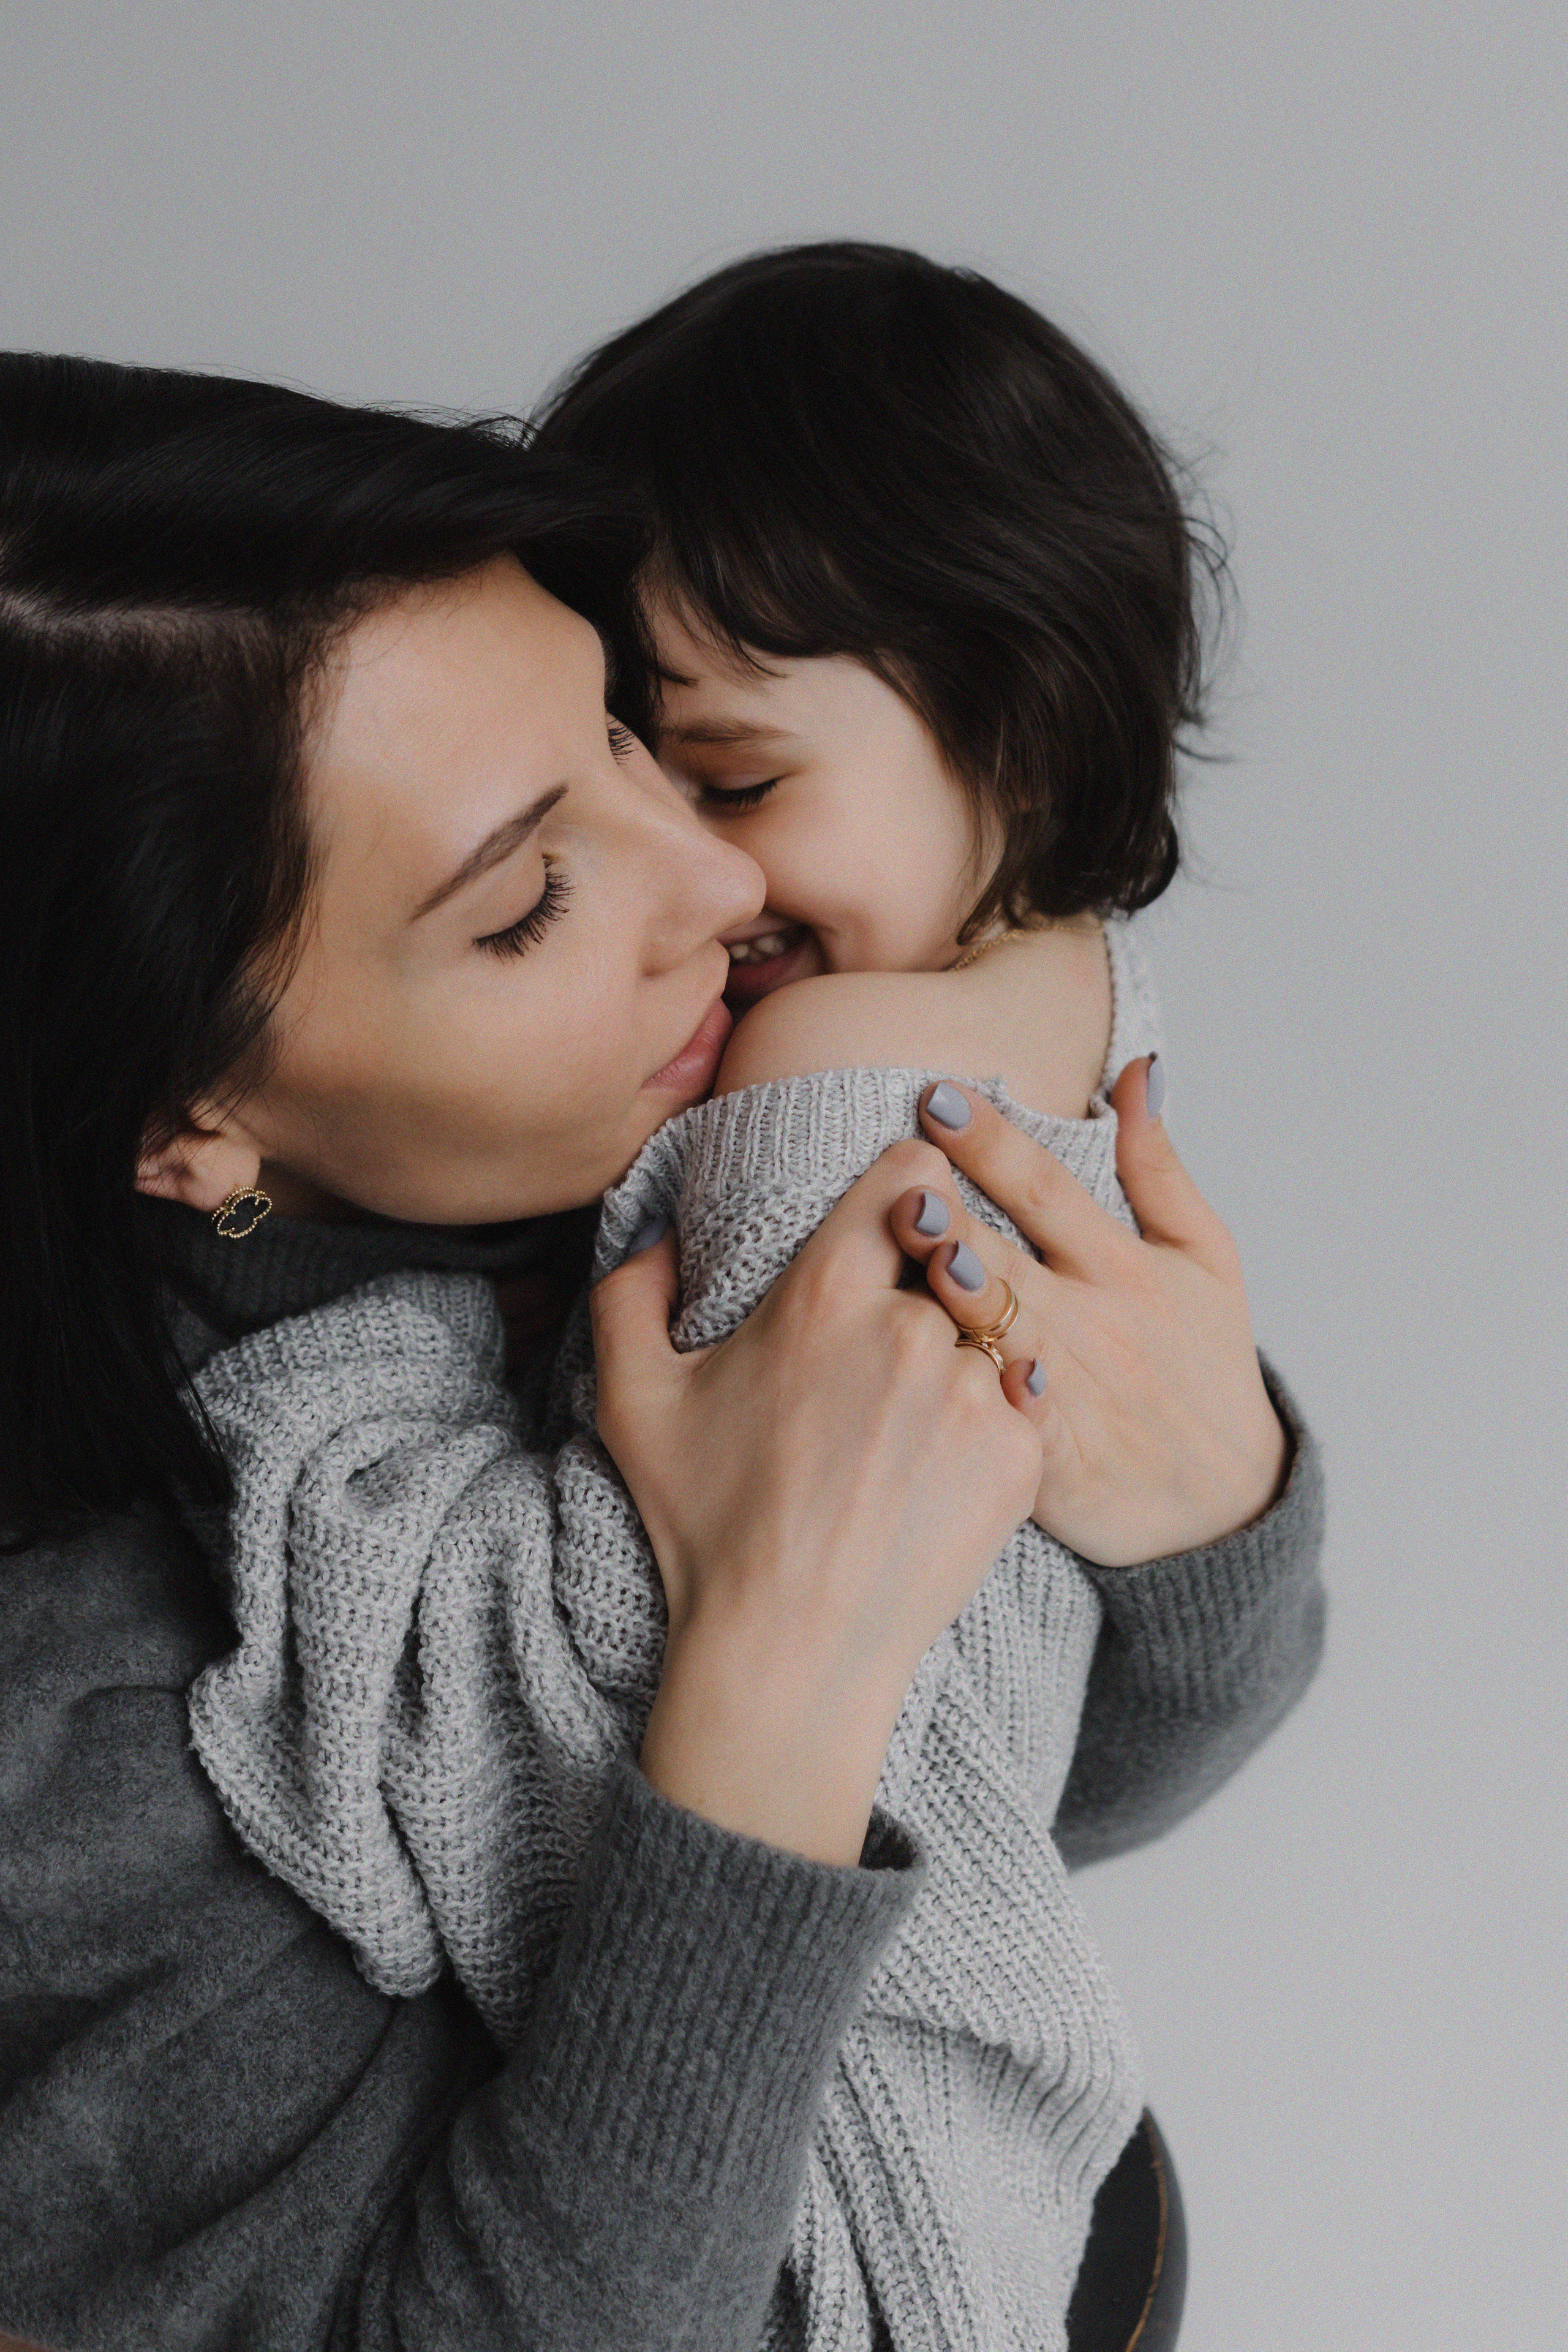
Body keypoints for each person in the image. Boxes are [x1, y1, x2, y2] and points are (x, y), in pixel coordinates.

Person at [0, 351, 1323, 2352]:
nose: (718, 887)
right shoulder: (100, 1732)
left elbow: (1033, 1806)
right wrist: (773, 1675)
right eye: (530, 899)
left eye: (640, 743)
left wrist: (1198, 1502)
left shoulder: (625, 1174)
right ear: (185, 1123)